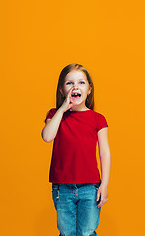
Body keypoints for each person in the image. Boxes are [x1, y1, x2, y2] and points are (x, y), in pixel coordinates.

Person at [41, 63, 111, 236]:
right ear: (61, 91)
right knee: (67, 233)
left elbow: (105, 153)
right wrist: (63, 109)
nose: (75, 87)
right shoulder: (55, 114)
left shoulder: (98, 119)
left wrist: (105, 184)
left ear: (89, 89)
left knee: (87, 232)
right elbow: (47, 137)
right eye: (69, 83)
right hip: (62, 188)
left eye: (81, 83)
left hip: (90, 186)